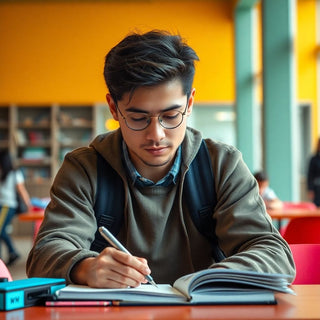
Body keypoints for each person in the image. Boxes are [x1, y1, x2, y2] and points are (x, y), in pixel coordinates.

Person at [26, 30, 295, 288]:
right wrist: (85, 267)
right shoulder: (84, 169)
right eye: (138, 118)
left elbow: (274, 255)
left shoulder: (221, 165)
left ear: (189, 103)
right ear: (113, 108)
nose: (156, 135)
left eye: (170, 116)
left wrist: (211, 279)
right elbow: (43, 256)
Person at [0, 149, 32, 266]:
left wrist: (28, 205)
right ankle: (10, 254)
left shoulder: (15, 173)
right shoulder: (3, 173)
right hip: (2, 205)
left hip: (7, 206)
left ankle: (13, 252)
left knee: (0, 231)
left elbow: (21, 190)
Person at [307, 138, 320, 207]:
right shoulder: (314, 159)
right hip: (317, 188)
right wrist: (310, 189)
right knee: (316, 207)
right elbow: (310, 175)